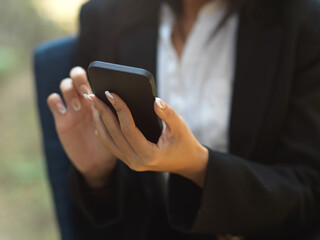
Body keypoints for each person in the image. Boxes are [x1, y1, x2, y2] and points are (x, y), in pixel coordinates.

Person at [47, 0, 320, 239]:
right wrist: (97, 177)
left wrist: (197, 165)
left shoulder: (303, 21)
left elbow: (308, 194)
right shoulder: (105, 16)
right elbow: (101, 225)